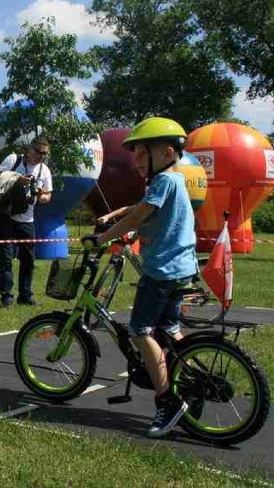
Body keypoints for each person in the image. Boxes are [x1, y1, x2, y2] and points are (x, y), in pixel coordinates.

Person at [83, 117, 195, 438]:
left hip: (161, 270)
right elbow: (139, 208)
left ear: (167, 153)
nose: (136, 160)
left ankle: (167, 401)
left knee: (139, 331)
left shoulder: (163, 183)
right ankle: (189, 379)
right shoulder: (174, 181)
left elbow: (139, 214)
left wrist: (102, 237)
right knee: (169, 330)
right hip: (179, 268)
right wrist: (115, 215)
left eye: (142, 153)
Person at [0, 137, 53, 307]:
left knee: (28, 259)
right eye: (38, 152)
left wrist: (40, 194)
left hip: (27, 220)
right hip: (6, 217)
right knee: (6, 259)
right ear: (29, 149)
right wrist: (16, 179)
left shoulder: (44, 171)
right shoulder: (13, 159)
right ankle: (7, 297)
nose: (41, 156)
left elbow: (48, 197)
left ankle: (25, 296)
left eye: (45, 154)